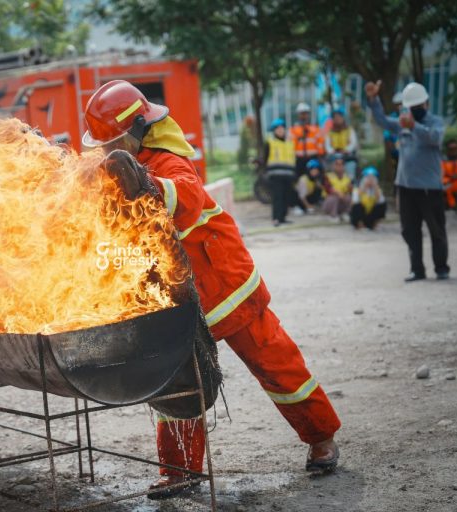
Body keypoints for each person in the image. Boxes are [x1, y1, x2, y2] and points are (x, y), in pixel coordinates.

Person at [81, 80, 341, 500]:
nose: (106, 149)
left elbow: (186, 195)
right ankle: (179, 472)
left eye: (114, 140)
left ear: (140, 129)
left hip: (225, 287)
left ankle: (321, 437)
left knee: (275, 362)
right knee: (177, 383)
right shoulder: (116, 168)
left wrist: (148, 186)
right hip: (176, 298)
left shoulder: (167, 162)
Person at [367, 80, 449, 282]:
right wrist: (373, 99)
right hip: (405, 187)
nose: (414, 110)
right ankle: (417, 270)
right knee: (409, 231)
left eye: (418, 106)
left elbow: (435, 138)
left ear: (426, 104)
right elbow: (382, 120)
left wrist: (415, 126)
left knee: (436, 230)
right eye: (411, 107)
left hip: (430, 188)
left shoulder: (434, 122)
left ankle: (441, 268)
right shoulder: (403, 122)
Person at [264, 118, 297, 226]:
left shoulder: (289, 143)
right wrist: (265, 172)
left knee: (286, 196)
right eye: (277, 129)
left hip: (288, 175)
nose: (280, 130)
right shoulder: (270, 142)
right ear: (274, 131)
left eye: (282, 128)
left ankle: (283, 217)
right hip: (275, 175)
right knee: (277, 197)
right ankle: (276, 218)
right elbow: (265, 158)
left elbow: (292, 158)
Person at [324, 108, 359, 181]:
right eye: (335, 118)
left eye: (339, 117)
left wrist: (347, 150)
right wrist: (331, 151)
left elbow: (353, 143)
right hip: (334, 156)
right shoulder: (330, 132)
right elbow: (327, 145)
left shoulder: (349, 130)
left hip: (347, 156)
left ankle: (350, 183)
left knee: (350, 171)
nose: (337, 119)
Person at [290, 103, 325, 177]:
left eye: (305, 113)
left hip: (313, 158)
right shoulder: (293, 130)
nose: (303, 116)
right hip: (299, 159)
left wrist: (320, 157)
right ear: (298, 115)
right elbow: (291, 146)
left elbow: (320, 144)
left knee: (316, 178)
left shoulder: (315, 129)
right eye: (302, 114)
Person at [323, 154, 353, 220]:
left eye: (341, 164)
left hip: (341, 201)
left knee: (348, 197)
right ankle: (333, 215)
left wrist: (350, 188)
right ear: (333, 166)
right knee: (335, 197)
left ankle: (345, 213)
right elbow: (328, 189)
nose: (339, 167)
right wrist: (338, 193)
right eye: (337, 164)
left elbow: (350, 190)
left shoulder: (347, 177)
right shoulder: (328, 176)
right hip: (329, 202)